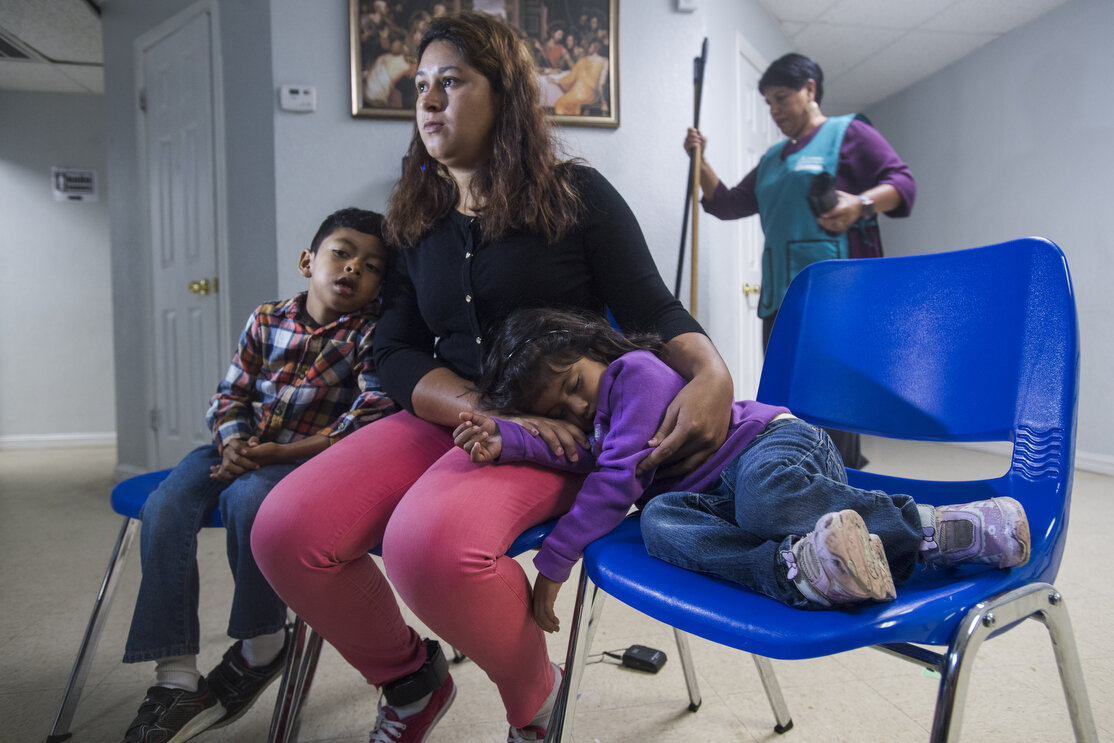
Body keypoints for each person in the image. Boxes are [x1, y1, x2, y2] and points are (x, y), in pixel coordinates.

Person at [250, 12, 735, 743]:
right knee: (285, 530)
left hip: (557, 428)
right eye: (420, 86)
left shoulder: (579, 195)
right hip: (449, 413)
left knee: (428, 550)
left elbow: (654, 307)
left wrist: (714, 371)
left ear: (505, 93)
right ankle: (411, 683)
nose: (428, 100)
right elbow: (397, 349)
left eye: (451, 81)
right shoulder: (414, 218)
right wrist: (477, 406)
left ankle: (536, 701)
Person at [454, 307, 1031, 621]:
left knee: (764, 496)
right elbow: (582, 451)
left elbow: (615, 474)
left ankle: (941, 530)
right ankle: (803, 572)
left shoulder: (636, 371)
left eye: (575, 385)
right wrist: (511, 439)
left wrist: (555, 562)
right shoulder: (598, 420)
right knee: (659, 524)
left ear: (594, 349)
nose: (579, 408)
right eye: (561, 411)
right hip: (716, 500)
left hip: (772, 450)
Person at [120, 208, 396, 743]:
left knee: (250, 502)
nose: (353, 269)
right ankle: (175, 675)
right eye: (341, 253)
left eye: (373, 266)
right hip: (237, 445)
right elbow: (231, 394)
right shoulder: (267, 318)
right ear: (307, 260)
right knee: (166, 505)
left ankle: (262, 643)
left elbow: (370, 411)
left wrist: (277, 455)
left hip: (303, 460)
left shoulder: (370, 333)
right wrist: (233, 442)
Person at [684, 52, 916, 469]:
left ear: (810, 89)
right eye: (768, 102)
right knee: (784, 399)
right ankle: (789, 482)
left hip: (835, 296)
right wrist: (700, 160)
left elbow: (902, 184)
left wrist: (860, 203)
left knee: (835, 400)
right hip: (780, 297)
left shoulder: (849, 133)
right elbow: (729, 203)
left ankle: (841, 487)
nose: (774, 110)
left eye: (781, 98)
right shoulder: (774, 158)